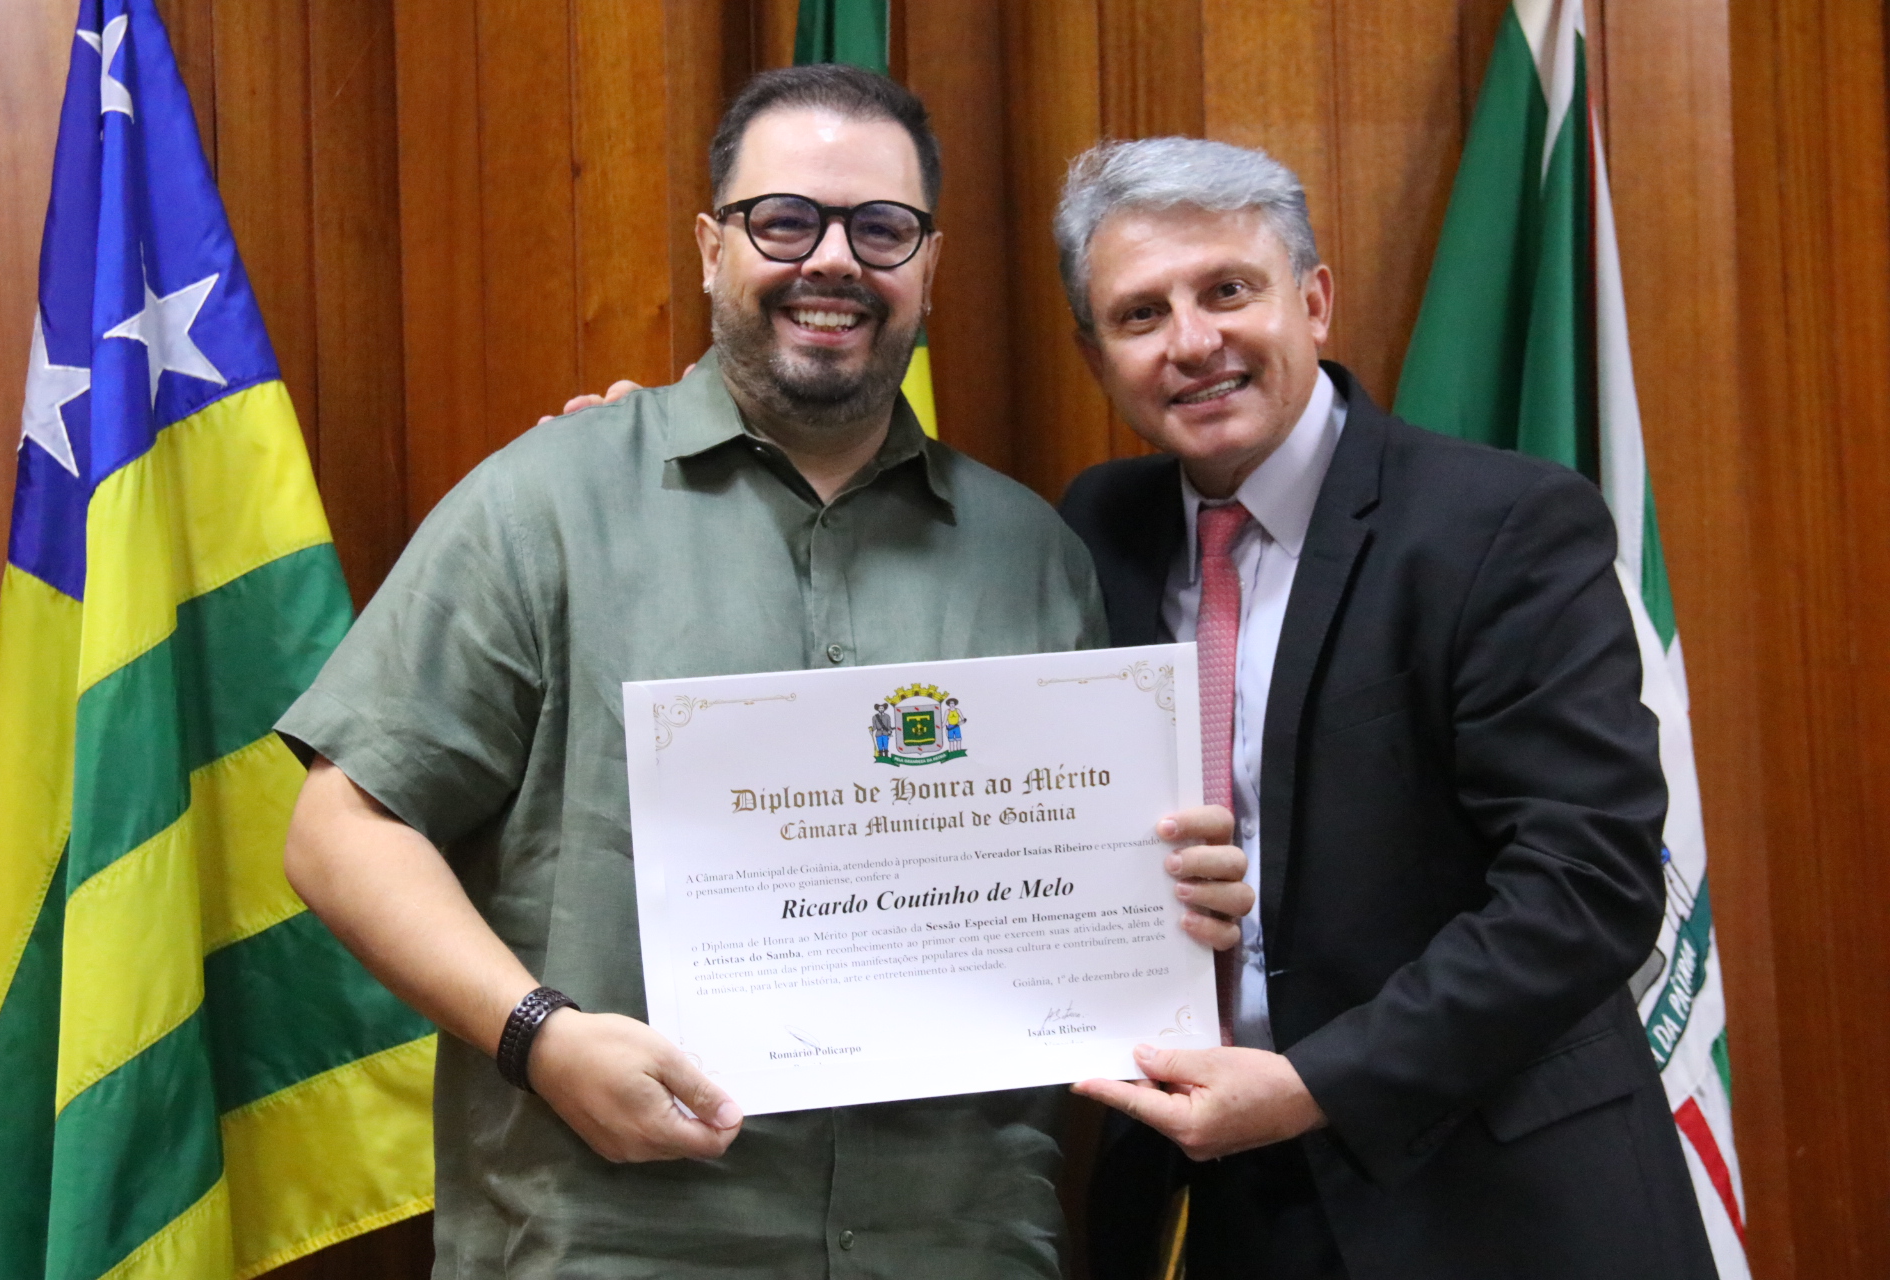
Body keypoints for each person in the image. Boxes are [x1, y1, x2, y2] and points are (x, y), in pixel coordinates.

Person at [277, 70, 1251, 1278]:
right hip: (619, 1239)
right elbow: (339, 831)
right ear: (711, 248)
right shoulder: (545, 506)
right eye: (784, 220)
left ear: (930, 266)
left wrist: (1169, 891)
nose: (832, 259)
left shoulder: (1032, 553)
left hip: (956, 1243)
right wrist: (540, 1037)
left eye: (881, 227)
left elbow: (1082, 902)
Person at [1055, 139, 1717, 1279]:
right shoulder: (1097, 530)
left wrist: (1318, 1085)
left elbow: (1589, 882)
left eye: (1228, 290)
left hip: (1493, 1203)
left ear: (1314, 300)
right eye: (1141, 314)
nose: (1193, 342)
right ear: (1096, 356)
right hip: (1216, 1205)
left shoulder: (1504, 526)